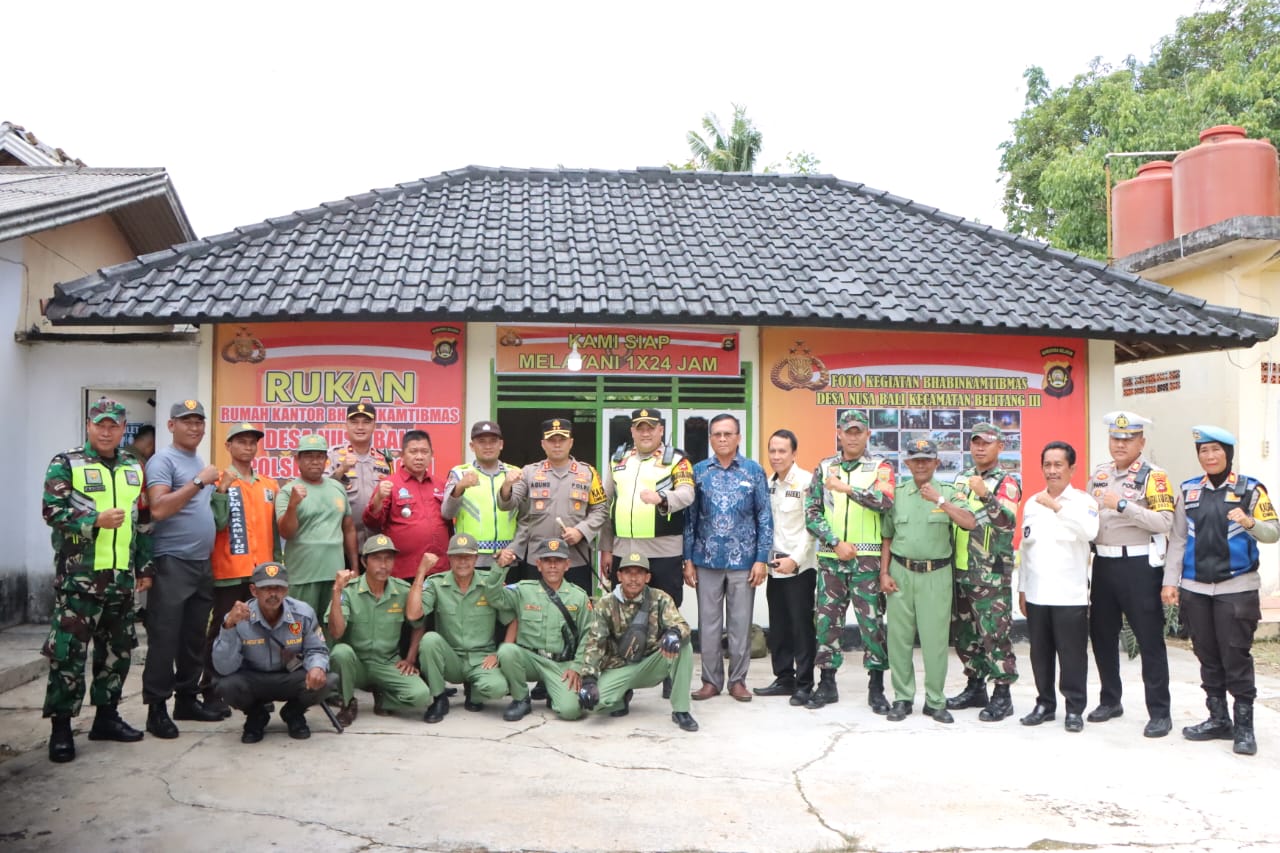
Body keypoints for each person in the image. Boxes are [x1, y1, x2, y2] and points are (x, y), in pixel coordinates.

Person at [41, 397, 152, 763]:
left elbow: (140, 522)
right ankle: (60, 728)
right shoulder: (67, 463)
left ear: (123, 429)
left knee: (117, 654)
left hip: (121, 578)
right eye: (100, 423)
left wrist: (145, 567)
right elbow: (52, 512)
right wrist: (93, 523)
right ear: (89, 425)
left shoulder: (133, 465)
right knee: (69, 655)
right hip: (80, 580)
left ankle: (106, 717)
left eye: (114, 425)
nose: (107, 430)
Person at [1164, 426, 1279, 756]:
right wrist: (1170, 582)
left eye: (1215, 450)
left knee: (1235, 655)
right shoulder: (1188, 491)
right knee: (1206, 654)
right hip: (1196, 588)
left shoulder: (1251, 490)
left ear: (1228, 453)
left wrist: (1249, 522)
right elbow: (1179, 541)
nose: (1209, 456)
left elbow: (1273, 533)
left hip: (1236, 588)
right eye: (1203, 451)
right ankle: (1218, 719)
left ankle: (1244, 727)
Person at [1086, 411, 1175, 738]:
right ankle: (1111, 699)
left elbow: (1166, 523)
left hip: (1139, 566)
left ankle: (1160, 712)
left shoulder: (1155, 477)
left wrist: (1123, 505)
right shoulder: (1100, 474)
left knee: (1150, 640)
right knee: (1102, 635)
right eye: (1115, 438)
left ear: (1141, 442)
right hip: (1105, 565)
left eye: (1127, 439)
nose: (1120, 444)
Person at [879, 439, 976, 724]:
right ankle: (902, 698)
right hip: (900, 573)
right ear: (907, 464)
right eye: (915, 459)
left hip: (937, 575)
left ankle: (935, 700)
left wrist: (940, 501)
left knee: (935, 642)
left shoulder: (947, 492)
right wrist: (884, 573)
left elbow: (969, 522)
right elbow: (887, 536)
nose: (920, 464)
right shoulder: (896, 495)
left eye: (926, 459)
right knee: (898, 640)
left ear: (936, 463)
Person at [802, 410, 893, 711]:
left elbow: (885, 501)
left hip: (866, 561)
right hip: (831, 559)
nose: (853, 436)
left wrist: (848, 489)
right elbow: (812, 511)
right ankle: (826, 683)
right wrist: (834, 542)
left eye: (859, 431)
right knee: (826, 623)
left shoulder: (880, 467)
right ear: (839, 433)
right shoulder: (825, 467)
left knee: (872, 624)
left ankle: (877, 686)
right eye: (848, 431)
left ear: (868, 435)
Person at [142, 399, 223, 738]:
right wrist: (200, 483)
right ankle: (157, 709)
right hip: (172, 561)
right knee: (164, 639)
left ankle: (186, 700)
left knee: (193, 637)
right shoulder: (163, 461)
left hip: (200, 563)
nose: (194, 427)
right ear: (171, 425)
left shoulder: (196, 460)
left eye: (199, 421)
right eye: (186, 421)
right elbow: (159, 509)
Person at [684, 413, 773, 703]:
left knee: (740, 624)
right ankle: (710, 682)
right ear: (710, 438)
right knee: (708, 625)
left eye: (728, 434)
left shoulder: (753, 471)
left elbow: (764, 516)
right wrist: (688, 559)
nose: (722, 439)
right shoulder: (698, 471)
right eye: (717, 434)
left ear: (738, 437)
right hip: (706, 559)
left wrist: (761, 558)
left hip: (743, 561)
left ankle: (738, 681)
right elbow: (690, 519)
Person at [199, 422, 281, 717]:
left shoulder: (269, 485)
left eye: (252, 442)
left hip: (262, 573)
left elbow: (275, 531)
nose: (248, 447)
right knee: (222, 628)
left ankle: (257, 690)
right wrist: (221, 490)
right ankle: (210, 689)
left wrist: (277, 569)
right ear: (228, 446)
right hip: (229, 570)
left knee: (261, 630)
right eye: (241, 441)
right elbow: (216, 525)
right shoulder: (218, 480)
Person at [1018, 442, 1099, 732]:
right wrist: (1023, 589)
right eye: (1047, 465)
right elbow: (1027, 550)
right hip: (1038, 593)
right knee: (1040, 654)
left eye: (1058, 465)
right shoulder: (1031, 503)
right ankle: (1044, 704)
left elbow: (1090, 532)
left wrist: (1058, 508)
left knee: (1072, 655)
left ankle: (1074, 708)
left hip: (1070, 594)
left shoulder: (1083, 502)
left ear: (1071, 468)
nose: (1052, 471)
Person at [211, 561, 337, 743]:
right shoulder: (237, 616)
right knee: (225, 684)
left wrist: (317, 667)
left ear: (286, 590)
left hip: (290, 677)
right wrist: (228, 627)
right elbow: (223, 667)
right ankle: (256, 715)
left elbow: (316, 649)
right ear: (254, 591)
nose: (273, 594)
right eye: (266, 588)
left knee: (327, 679)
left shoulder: (303, 613)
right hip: (254, 679)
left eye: (278, 588)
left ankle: (294, 713)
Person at [946, 422, 1022, 722]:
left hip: (990, 570)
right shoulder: (961, 478)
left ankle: (1002, 694)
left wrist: (985, 495)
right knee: (966, 634)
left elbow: (1006, 522)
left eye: (987, 443)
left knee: (994, 634)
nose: (980, 447)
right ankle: (975, 685)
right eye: (976, 442)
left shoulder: (1007, 482)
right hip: (962, 567)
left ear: (999, 447)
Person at [578, 553, 699, 732]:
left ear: (648, 577)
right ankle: (621, 698)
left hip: (650, 664)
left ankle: (681, 710)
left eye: (639, 573)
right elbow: (595, 642)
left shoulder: (660, 598)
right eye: (628, 572)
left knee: (684, 646)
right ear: (619, 576)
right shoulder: (606, 604)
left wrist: (674, 633)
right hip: (620, 667)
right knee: (594, 705)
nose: (633, 578)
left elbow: (681, 624)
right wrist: (588, 679)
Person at [327, 535, 434, 726]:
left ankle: (383, 700)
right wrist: (337, 591)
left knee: (422, 696)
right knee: (340, 652)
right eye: (377, 558)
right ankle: (348, 702)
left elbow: (418, 624)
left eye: (388, 558)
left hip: (387, 663)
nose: (383, 565)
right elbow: (336, 632)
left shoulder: (401, 590)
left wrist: (410, 658)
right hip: (355, 663)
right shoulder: (349, 591)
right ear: (363, 561)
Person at [412, 533, 514, 723]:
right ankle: (439, 698)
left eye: (467, 557)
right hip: (451, 659)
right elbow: (413, 614)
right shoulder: (436, 583)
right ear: (449, 558)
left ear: (476, 558)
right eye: (457, 557)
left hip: (481, 660)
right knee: (429, 640)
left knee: (497, 688)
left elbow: (512, 618)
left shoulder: (489, 582)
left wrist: (500, 653)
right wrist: (420, 573)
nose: (462, 562)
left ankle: (474, 691)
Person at [498, 417, 608, 593]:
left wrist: (581, 530)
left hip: (574, 559)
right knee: (535, 610)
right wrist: (506, 486)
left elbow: (600, 509)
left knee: (576, 611)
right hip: (538, 559)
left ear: (570, 442)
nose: (557, 445)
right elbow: (508, 504)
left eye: (562, 439)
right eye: (552, 440)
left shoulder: (588, 472)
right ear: (543, 444)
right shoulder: (529, 472)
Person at [599, 408, 696, 605]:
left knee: (664, 610)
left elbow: (687, 494)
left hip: (663, 552)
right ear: (632, 431)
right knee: (623, 609)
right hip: (623, 551)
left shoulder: (677, 460)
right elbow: (605, 505)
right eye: (639, 428)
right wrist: (606, 549)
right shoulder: (618, 460)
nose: (645, 433)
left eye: (650, 428)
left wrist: (661, 497)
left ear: (660, 430)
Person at [493, 537, 594, 721]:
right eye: (547, 561)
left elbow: (589, 634)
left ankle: (553, 692)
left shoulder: (578, 596)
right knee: (507, 651)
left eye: (558, 561)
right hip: (530, 659)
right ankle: (521, 698)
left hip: (561, 664)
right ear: (538, 565)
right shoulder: (523, 590)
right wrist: (500, 568)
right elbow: (494, 598)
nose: (553, 566)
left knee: (571, 711)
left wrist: (577, 666)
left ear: (567, 565)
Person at [756, 428, 819, 704]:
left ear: (794, 453)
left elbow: (812, 527)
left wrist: (795, 559)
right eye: (772, 451)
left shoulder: (806, 481)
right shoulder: (768, 483)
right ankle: (784, 678)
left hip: (799, 568)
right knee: (779, 626)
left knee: (801, 627)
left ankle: (805, 684)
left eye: (782, 451)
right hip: (774, 566)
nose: (776, 456)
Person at [277, 433, 357, 623]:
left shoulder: (337, 488)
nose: (315, 461)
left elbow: (349, 529)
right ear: (297, 459)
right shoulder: (288, 491)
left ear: (326, 460)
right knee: (300, 628)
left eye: (319, 456)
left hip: (335, 576)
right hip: (302, 576)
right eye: (308, 456)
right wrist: (293, 506)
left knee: (333, 627)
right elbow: (286, 532)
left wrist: (354, 567)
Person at [364, 429, 451, 580]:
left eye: (424, 452)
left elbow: (449, 523)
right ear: (402, 455)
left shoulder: (442, 484)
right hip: (405, 571)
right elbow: (372, 523)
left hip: (439, 570)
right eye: (413, 451)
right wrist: (378, 499)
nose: (419, 457)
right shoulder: (390, 484)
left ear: (431, 454)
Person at [441, 420, 518, 573]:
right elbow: (446, 513)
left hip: (508, 557)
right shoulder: (459, 473)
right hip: (470, 558)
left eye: (493, 441)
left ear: (501, 444)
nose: (488, 446)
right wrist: (460, 487)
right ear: (472, 446)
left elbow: (526, 519)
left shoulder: (515, 473)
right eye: (481, 441)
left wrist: (514, 549)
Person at [326, 401, 394, 547]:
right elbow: (321, 491)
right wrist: (341, 470)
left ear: (374, 426)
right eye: (354, 422)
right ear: (346, 425)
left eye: (366, 422)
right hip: (340, 540)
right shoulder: (333, 456)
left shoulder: (385, 460)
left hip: (376, 541)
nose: (360, 427)